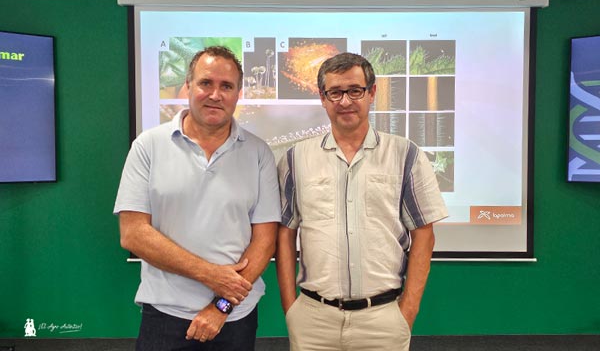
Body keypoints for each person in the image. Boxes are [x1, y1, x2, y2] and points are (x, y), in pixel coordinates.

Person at [276, 52, 448, 351]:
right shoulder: (295, 159)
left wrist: (407, 311)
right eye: (335, 92)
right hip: (313, 321)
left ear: (372, 93)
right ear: (323, 98)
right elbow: (285, 233)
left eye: (355, 91)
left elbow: (424, 235)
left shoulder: (405, 155)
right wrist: (291, 308)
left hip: (383, 320)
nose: (345, 101)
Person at [113, 46, 281, 351]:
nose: (215, 94)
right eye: (206, 83)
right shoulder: (147, 146)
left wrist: (220, 306)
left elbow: (265, 242)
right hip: (164, 316)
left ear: (238, 94)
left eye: (226, 86)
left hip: (235, 318)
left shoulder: (259, 153)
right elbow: (133, 234)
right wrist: (212, 275)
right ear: (187, 87)